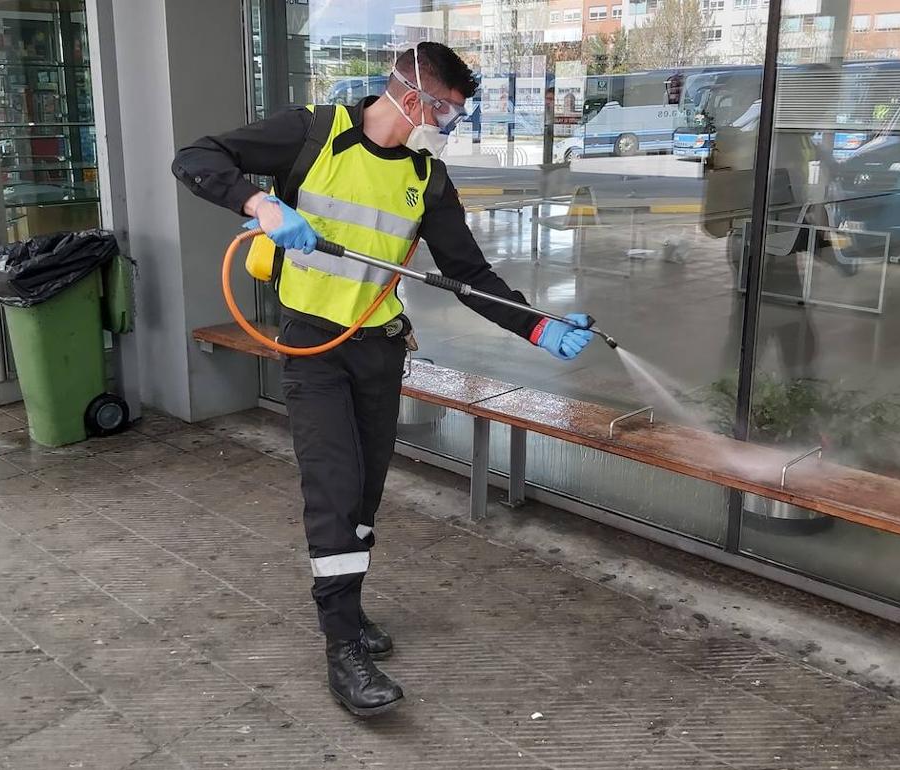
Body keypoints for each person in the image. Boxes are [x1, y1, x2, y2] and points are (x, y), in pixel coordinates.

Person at [171, 42, 593, 718]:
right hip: (313, 347)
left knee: (364, 495)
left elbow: (468, 275)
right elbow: (196, 158)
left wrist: (535, 326)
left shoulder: (427, 179)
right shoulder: (315, 133)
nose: (448, 122)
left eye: (455, 113)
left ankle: (351, 610)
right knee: (333, 492)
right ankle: (343, 649)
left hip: (378, 351)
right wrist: (263, 208)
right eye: (446, 109)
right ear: (410, 93)